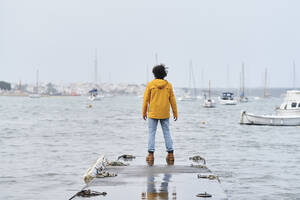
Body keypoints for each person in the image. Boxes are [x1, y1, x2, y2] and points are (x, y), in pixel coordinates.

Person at [142, 64, 178, 165]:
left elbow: (145, 100)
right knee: (167, 133)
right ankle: (170, 154)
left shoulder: (150, 85)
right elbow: (173, 100)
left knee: (151, 133)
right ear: (164, 74)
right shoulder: (168, 85)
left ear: (154, 74)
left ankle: (150, 155)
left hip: (152, 113)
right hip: (165, 113)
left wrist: (144, 111)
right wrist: (175, 112)